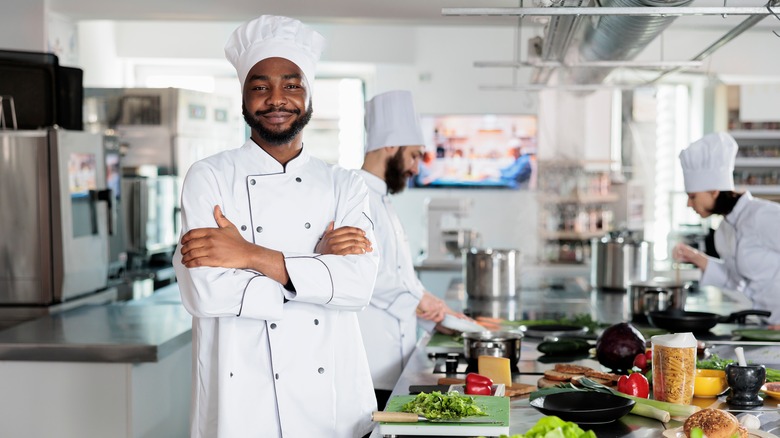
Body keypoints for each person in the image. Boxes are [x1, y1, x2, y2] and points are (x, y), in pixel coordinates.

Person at [172, 15, 379, 437]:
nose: (276, 99)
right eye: (260, 86)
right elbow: (207, 292)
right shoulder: (208, 176)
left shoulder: (346, 184)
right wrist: (317, 274)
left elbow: (357, 288)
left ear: (309, 94)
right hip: (242, 399)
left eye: (291, 84)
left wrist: (248, 255)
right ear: (244, 98)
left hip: (332, 405)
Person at [357, 90, 472, 410]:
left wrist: (437, 310)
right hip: (372, 359)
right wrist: (422, 301)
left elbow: (399, 274)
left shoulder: (382, 198)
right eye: (414, 155)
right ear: (390, 146)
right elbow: (363, 276)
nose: (416, 167)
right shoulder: (356, 195)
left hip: (396, 356)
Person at [672, 132, 780, 325]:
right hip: (764, 325)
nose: (689, 204)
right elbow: (735, 280)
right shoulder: (723, 230)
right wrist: (696, 257)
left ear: (714, 191)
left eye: (693, 196)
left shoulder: (763, 215)